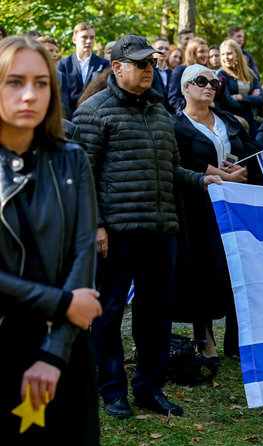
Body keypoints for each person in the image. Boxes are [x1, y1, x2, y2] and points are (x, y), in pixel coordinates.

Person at [73, 34, 221, 419]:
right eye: (140, 64)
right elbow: (82, 176)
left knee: (156, 315)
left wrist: (202, 180)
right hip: (117, 235)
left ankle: (148, 389)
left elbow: (171, 171)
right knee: (107, 314)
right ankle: (112, 392)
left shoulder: (159, 111)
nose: (148, 70)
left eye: (151, 64)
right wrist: (98, 227)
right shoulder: (93, 112)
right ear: (117, 67)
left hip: (161, 231)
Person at [0, 34, 101, 445]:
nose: (30, 94)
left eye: (41, 83)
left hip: (67, 342)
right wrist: (63, 303)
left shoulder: (71, 157)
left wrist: (54, 353)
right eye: (15, 82)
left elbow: (83, 251)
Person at [172, 64, 254, 366]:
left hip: (234, 202)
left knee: (237, 267)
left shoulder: (228, 120)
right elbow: (183, 159)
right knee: (204, 269)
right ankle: (204, 336)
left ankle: (237, 338)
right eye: (201, 81)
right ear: (185, 88)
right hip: (198, 206)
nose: (209, 86)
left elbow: (249, 148)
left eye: (214, 82)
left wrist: (241, 170)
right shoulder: (176, 125)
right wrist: (221, 175)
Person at [57, 22, 110, 119]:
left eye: (92, 37)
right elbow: (61, 97)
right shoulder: (63, 64)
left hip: (96, 118)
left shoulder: (104, 64)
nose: (89, 41)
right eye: (84, 37)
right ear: (74, 39)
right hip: (69, 118)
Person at [216, 39, 263, 138]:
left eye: (229, 53)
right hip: (233, 122)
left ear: (237, 54)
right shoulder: (221, 74)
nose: (226, 57)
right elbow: (228, 102)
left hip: (251, 119)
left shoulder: (249, 73)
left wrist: (242, 97)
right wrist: (251, 100)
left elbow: (262, 99)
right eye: (223, 54)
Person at [168, 38, 208, 113]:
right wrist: (191, 107)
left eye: (206, 51)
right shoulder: (181, 70)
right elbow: (173, 98)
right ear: (192, 53)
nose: (205, 55)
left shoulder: (205, 72)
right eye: (201, 51)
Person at [150, 37, 173, 113]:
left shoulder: (171, 73)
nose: (164, 51)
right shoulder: (148, 71)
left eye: (167, 49)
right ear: (152, 50)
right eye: (160, 48)